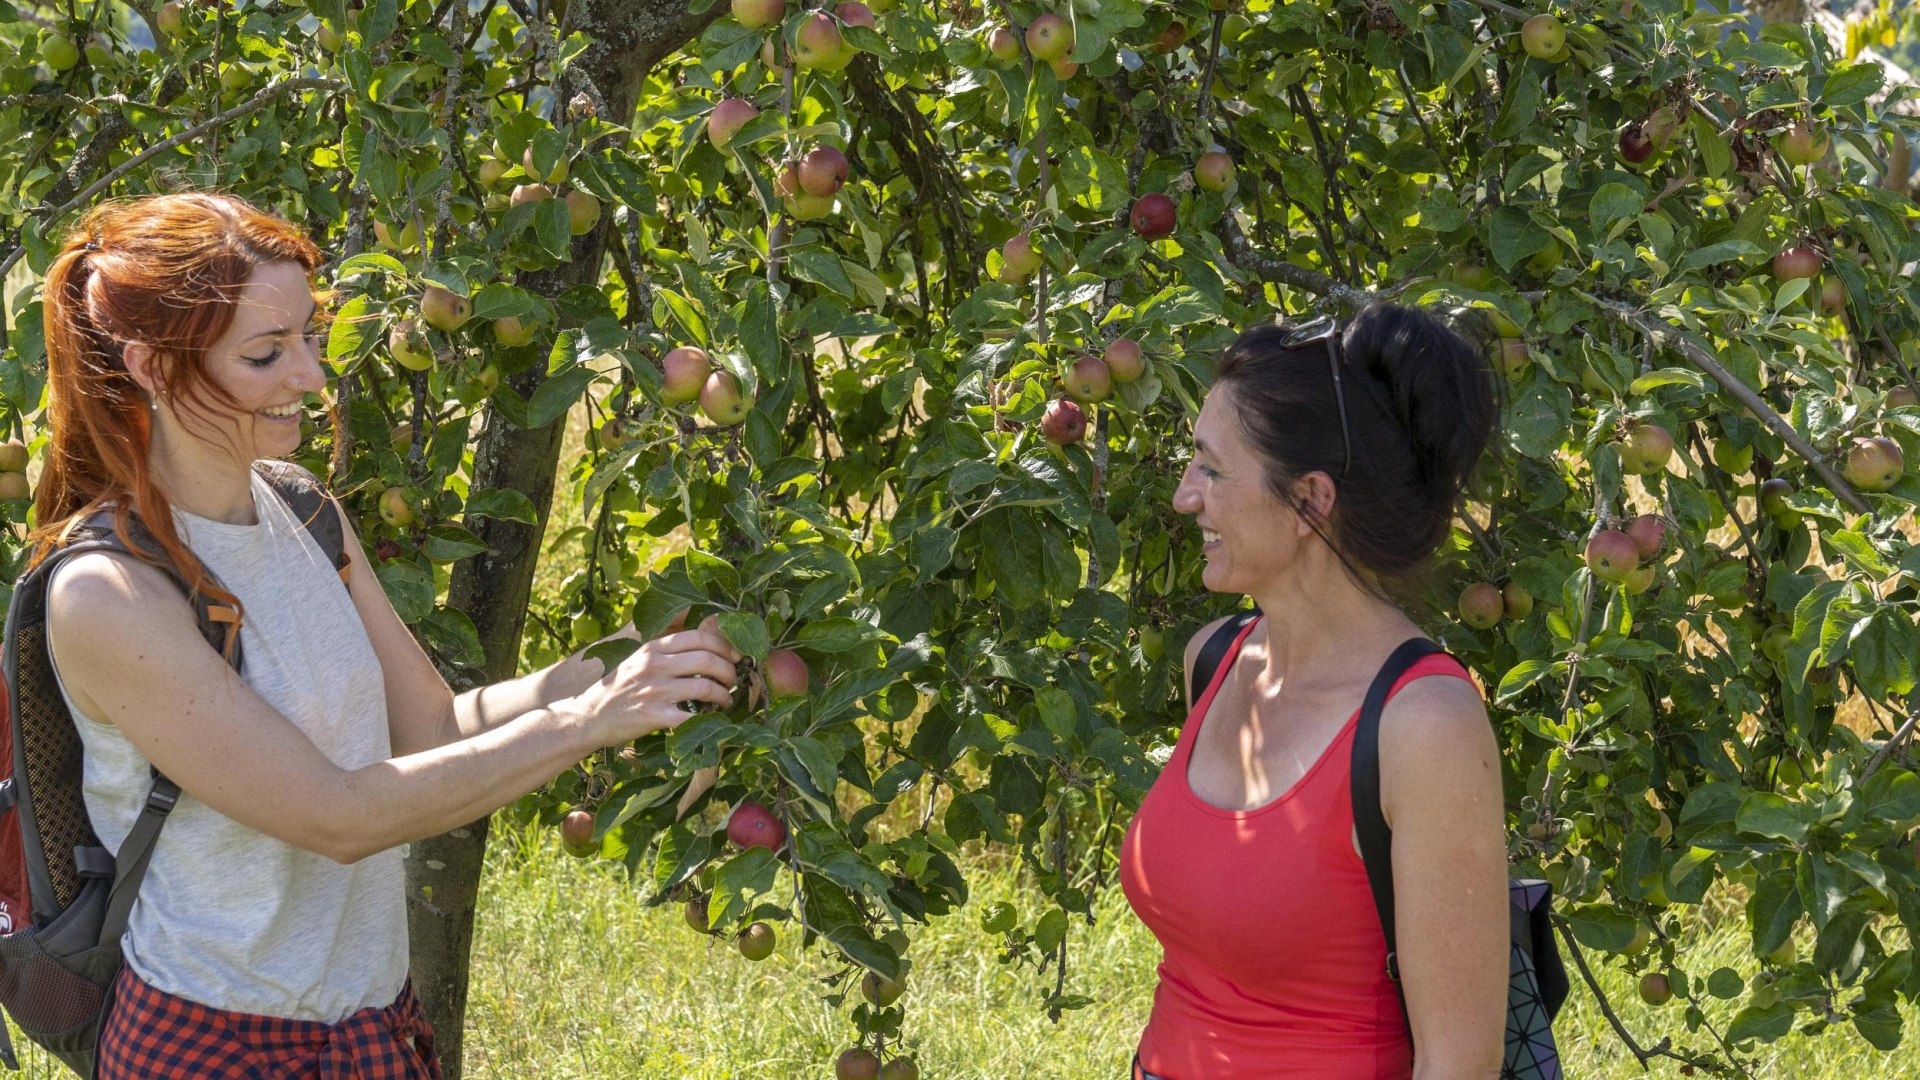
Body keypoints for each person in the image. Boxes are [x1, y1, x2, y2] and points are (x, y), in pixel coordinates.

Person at [32, 192, 741, 1077]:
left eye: (306, 337)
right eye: (266, 353)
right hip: (214, 1042)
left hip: (370, 1024)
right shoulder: (110, 593)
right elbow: (337, 815)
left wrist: (614, 670)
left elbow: (439, 729)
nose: (312, 377)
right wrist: (589, 723)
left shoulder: (299, 507)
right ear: (151, 367)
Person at [1118, 305, 1510, 1079]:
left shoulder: (1422, 725)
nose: (1184, 498)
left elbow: (1459, 1063)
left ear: (1310, 502)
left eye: (1212, 469)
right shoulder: (1216, 661)